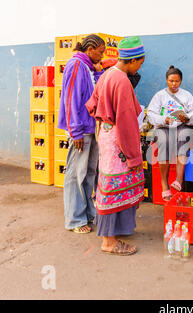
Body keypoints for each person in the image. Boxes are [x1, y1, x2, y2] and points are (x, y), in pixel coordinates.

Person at [86, 36, 146, 255]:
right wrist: (133, 156)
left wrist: (104, 121)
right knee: (114, 187)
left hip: (107, 135)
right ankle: (109, 241)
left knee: (108, 183)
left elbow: (92, 105)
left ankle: (115, 231)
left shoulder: (107, 75)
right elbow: (127, 121)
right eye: (140, 63)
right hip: (119, 139)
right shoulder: (121, 81)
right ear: (134, 60)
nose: (139, 67)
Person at [57, 34, 105, 234]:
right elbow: (71, 100)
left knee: (89, 173)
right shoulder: (76, 65)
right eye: (100, 52)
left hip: (90, 128)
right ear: (90, 48)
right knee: (76, 174)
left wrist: (100, 72)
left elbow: (91, 92)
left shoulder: (88, 67)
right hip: (81, 130)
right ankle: (75, 219)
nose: (101, 57)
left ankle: (87, 213)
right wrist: (75, 132)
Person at [147, 66, 193, 201]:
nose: (174, 84)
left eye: (177, 81)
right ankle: (165, 186)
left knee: (183, 139)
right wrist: (163, 119)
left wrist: (188, 118)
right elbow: (151, 114)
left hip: (181, 126)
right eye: (171, 81)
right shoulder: (159, 96)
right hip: (164, 127)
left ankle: (178, 181)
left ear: (181, 81)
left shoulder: (186, 95)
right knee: (164, 142)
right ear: (166, 80)